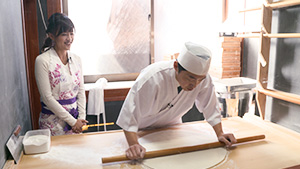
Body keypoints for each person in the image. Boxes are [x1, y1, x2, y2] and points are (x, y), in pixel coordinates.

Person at [116, 42, 237, 160]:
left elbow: (210, 106)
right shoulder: (152, 78)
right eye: (191, 77)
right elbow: (129, 116)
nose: (195, 84)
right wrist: (133, 144)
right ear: (175, 67)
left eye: (200, 79)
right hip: (141, 130)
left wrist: (220, 133)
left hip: (172, 129)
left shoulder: (203, 80)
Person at [35, 13, 88, 136]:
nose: (69, 38)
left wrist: (81, 119)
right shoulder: (42, 60)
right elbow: (47, 98)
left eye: (71, 33)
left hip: (75, 122)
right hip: (52, 123)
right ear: (52, 36)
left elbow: (81, 90)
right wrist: (73, 121)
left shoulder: (77, 59)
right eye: (64, 34)